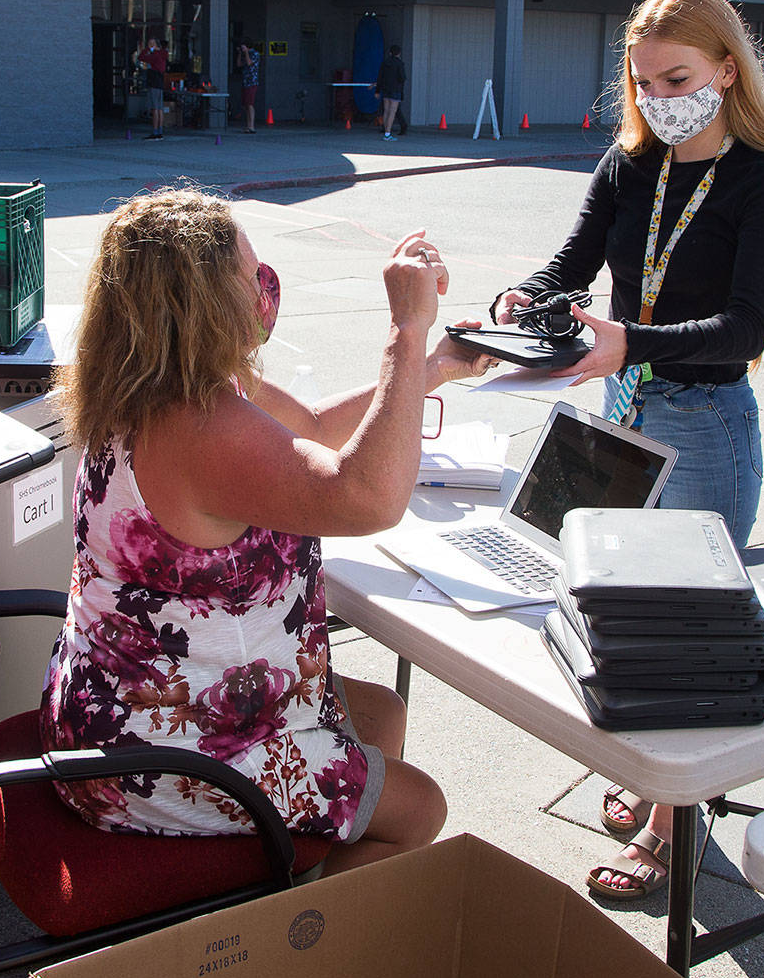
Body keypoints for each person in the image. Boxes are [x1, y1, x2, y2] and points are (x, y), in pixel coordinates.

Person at [42, 189, 495, 870]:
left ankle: (308, 865)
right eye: (249, 276)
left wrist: (435, 368)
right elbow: (367, 495)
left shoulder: (156, 381)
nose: (264, 289)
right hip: (160, 751)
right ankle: (296, 947)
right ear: (202, 305)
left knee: (383, 717)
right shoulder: (200, 426)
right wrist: (408, 329)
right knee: (419, 807)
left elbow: (309, 426)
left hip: (115, 702)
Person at [491, 0, 764, 903]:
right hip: (619, 408)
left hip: (703, 420)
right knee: (617, 612)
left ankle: (676, 825)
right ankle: (653, 777)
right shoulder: (631, 166)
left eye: (678, 79)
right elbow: (572, 260)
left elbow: (744, 328)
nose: (661, 101)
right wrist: (530, 297)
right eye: (644, 85)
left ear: (725, 68)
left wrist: (630, 340)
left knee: (689, 637)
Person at [135, 36, 169, 139]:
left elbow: (141, 57)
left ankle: (155, 132)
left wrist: (148, 50)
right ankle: (160, 131)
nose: (150, 46)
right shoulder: (163, 54)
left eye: (151, 44)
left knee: (155, 108)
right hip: (159, 82)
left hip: (154, 82)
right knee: (159, 108)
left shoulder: (155, 55)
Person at [377, 44, 408, 139]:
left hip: (385, 88)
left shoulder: (385, 63)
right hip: (396, 89)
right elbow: (402, 77)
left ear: (390, 52)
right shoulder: (399, 63)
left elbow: (380, 77)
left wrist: (377, 90)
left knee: (386, 111)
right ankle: (388, 133)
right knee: (392, 112)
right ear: (399, 53)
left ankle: (385, 131)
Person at [236, 40, 261, 133]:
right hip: (245, 81)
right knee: (246, 104)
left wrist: (246, 53)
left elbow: (249, 63)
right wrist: (239, 53)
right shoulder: (245, 54)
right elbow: (239, 64)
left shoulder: (255, 54)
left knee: (250, 104)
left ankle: (252, 126)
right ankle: (248, 125)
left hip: (252, 81)